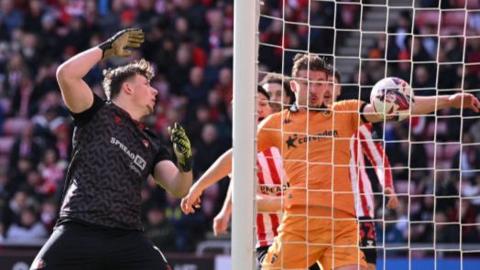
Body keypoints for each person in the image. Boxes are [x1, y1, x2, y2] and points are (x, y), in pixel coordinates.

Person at [256, 53, 479, 270]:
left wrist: (448, 101)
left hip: (342, 222)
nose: (315, 90)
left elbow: (399, 105)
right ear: (294, 86)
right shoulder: (274, 124)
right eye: (307, 83)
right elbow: (237, 155)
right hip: (301, 220)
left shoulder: (344, 112)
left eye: (320, 83)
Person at [30, 28, 193, 270]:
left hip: (126, 237)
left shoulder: (151, 141)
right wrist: (106, 49)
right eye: (147, 84)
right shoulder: (96, 112)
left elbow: (179, 187)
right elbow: (65, 75)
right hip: (79, 227)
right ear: (127, 88)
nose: (155, 90)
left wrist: (186, 162)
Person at [181, 83, 324, 269]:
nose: (257, 108)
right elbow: (243, 187)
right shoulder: (244, 154)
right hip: (270, 242)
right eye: (251, 104)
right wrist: (223, 209)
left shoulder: (291, 142)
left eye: (263, 103)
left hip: (308, 238)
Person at [330, 71, 398, 270]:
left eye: (331, 83)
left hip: (359, 206)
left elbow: (377, 156)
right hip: (324, 206)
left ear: (338, 89)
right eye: (320, 83)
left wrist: (387, 186)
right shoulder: (306, 122)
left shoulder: (354, 118)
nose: (326, 88)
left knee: (367, 265)